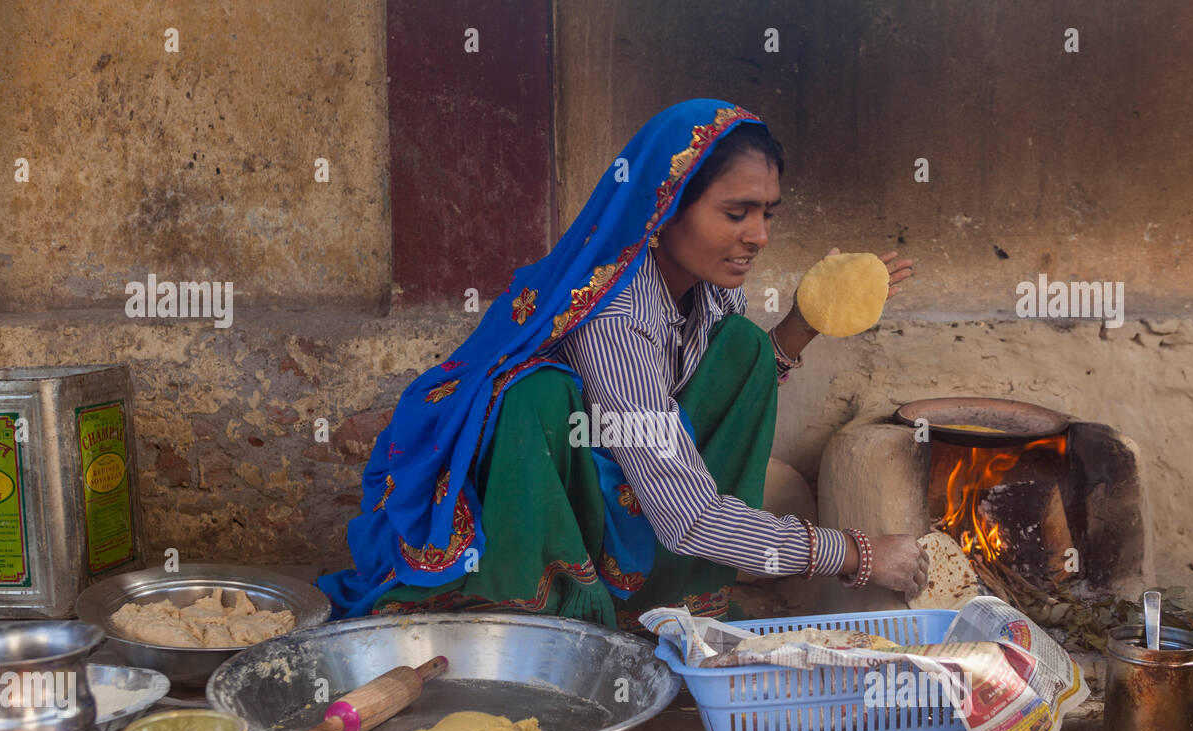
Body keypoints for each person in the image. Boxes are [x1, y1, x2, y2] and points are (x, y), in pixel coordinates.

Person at [319, 99, 928, 630]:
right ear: (665, 209)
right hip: (541, 496)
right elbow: (688, 516)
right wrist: (856, 552)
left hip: (625, 466)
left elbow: (717, 391)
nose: (759, 236)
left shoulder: (709, 289)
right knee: (540, 394)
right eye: (736, 213)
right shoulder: (615, 315)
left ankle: (669, 594)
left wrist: (807, 319)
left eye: (768, 212)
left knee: (742, 345)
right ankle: (553, 603)